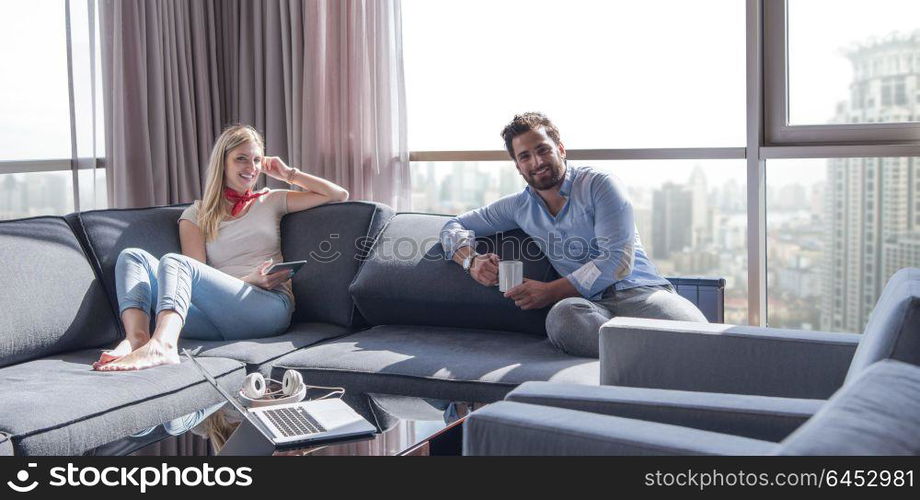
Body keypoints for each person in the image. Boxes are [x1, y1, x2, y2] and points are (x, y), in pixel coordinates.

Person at [440, 112, 706, 358]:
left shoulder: (600, 185)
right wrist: (470, 261)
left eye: (543, 150)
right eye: (525, 157)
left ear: (561, 149)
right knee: (561, 317)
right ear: (518, 167)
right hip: (588, 309)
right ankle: (652, 358)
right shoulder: (517, 207)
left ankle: (637, 358)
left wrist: (549, 291)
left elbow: (617, 261)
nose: (537, 162)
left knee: (701, 338)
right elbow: (452, 226)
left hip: (640, 294)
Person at [94, 124, 348, 371]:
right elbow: (193, 278)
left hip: (266, 307)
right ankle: (138, 339)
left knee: (174, 261)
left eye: (257, 160)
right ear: (222, 162)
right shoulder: (196, 214)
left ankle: (164, 345)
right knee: (132, 257)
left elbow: (337, 195)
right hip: (212, 317)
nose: (252, 168)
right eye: (241, 159)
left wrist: (288, 174)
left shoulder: (271, 200)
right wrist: (247, 279)